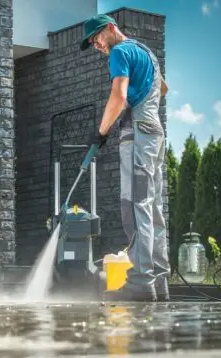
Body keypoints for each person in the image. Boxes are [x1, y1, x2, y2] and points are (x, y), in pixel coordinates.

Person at [80, 14, 170, 301]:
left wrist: (101, 131)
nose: (96, 45)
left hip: (138, 136)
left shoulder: (119, 51)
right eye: (92, 43)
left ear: (110, 28)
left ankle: (141, 281)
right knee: (152, 206)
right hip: (154, 133)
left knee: (135, 204)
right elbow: (163, 89)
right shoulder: (146, 52)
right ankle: (159, 280)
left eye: (96, 37)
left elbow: (118, 96)